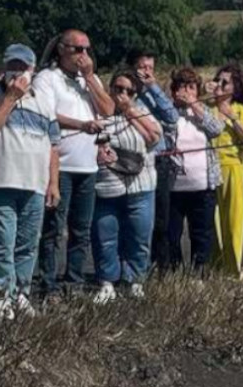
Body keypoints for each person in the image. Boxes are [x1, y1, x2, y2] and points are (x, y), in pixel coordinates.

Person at [0, 44, 61, 319]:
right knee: (1, 243)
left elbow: (54, 145)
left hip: (34, 183)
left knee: (27, 243)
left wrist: (54, 183)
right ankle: (1, 294)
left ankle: (21, 293)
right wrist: (10, 98)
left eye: (23, 67)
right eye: (13, 65)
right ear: (4, 66)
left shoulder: (44, 102)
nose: (18, 72)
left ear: (33, 70)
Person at [33, 29, 116, 296]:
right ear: (61, 49)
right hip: (61, 165)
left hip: (88, 166)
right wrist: (81, 124)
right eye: (77, 49)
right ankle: (49, 284)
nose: (83, 55)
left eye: (86, 49)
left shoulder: (87, 80)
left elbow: (108, 109)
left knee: (81, 230)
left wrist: (90, 77)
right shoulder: (47, 78)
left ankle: (74, 282)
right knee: (54, 229)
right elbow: (46, 114)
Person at [90, 71, 163, 303]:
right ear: (110, 89)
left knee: (139, 235)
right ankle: (107, 282)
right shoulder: (98, 113)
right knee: (105, 236)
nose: (122, 94)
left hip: (140, 186)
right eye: (118, 89)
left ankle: (134, 281)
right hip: (107, 186)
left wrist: (131, 112)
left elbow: (154, 138)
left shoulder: (142, 112)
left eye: (129, 91)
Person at [164, 68, 226, 271]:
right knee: (172, 233)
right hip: (174, 187)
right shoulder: (168, 113)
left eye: (191, 87)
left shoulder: (202, 111)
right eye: (182, 86)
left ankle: (200, 271)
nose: (187, 91)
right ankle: (174, 270)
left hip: (203, 185)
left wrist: (194, 105)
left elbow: (216, 129)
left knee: (202, 232)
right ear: (174, 90)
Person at [127, 49, 181, 272]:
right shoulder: (127, 93)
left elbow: (172, 117)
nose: (147, 72)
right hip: (132, 160)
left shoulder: (154, 94)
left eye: (151, 67)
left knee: (162, 219)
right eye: (142, 68)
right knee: (137, 219)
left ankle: (162, 266)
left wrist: (153, 87)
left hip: (160, 161)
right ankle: (137, 265)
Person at [208, 64, 243, 277]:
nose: (219, 85)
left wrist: (231, 117)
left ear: (234, 88)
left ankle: (234, 271)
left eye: (224, 82)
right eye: (217, 80)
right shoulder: (207, 110)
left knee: (234, 221)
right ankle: (214, 267)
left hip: (233, 169)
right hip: (209, 170)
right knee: (213, 222)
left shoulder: (242, 111)